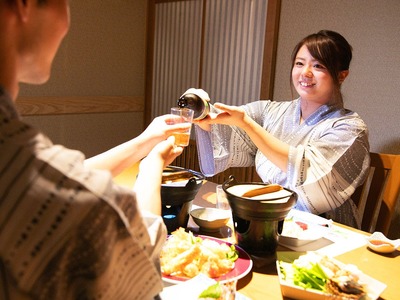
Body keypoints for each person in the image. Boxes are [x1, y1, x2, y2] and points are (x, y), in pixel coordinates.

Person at [0, 0, 190, 299]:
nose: (67, 22)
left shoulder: (16, 160)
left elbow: (63, 177)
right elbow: (143, 255)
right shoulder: (74, 204)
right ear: (24, 6)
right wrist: (152, 166)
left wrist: (144, 141)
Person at [193, 30, 370, 228]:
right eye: (299, 63)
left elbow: (314, 184)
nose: (305, 73)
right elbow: (230, 125)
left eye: (318, 65)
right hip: (269, 219)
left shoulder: (350, 128)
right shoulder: (272, 112)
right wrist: (206, 117)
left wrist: (247, 124)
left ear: (341, 75)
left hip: (326, 229)